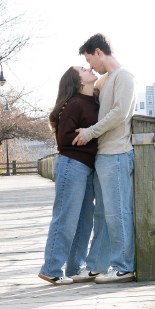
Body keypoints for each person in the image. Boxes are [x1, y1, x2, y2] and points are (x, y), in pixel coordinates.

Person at [71, 32, 137, 283]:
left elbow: (119, 113)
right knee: (103, 214)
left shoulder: (125, 77)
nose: (90, 67)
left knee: (118, 212)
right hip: (103, 156)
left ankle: (125, 267)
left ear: (99, 52)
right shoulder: (108, 80)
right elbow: (93, 90)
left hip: (118, 154)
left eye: (90, 60)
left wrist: (89, 132)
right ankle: (98, 266)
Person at [38, 65, 100, 286]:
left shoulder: (94, 100)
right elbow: (64, 138)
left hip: (87, 168)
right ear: (77, 81)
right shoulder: (74, 104)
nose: (89, 68)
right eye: (83, 69)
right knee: (66, 218)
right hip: (71, 166)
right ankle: (51, 269)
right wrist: (92, 134)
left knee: (84, 220)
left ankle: (75, 267)